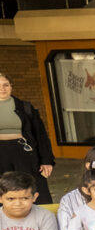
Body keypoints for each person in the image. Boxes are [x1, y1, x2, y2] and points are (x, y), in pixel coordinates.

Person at [0, 72, 55, 204]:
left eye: (5, 85)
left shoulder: (25, 107)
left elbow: (40, 134)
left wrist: (46, 160)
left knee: (31, 187)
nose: (2, 88)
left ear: (11, 86)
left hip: (23, 152)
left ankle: (40, 220)